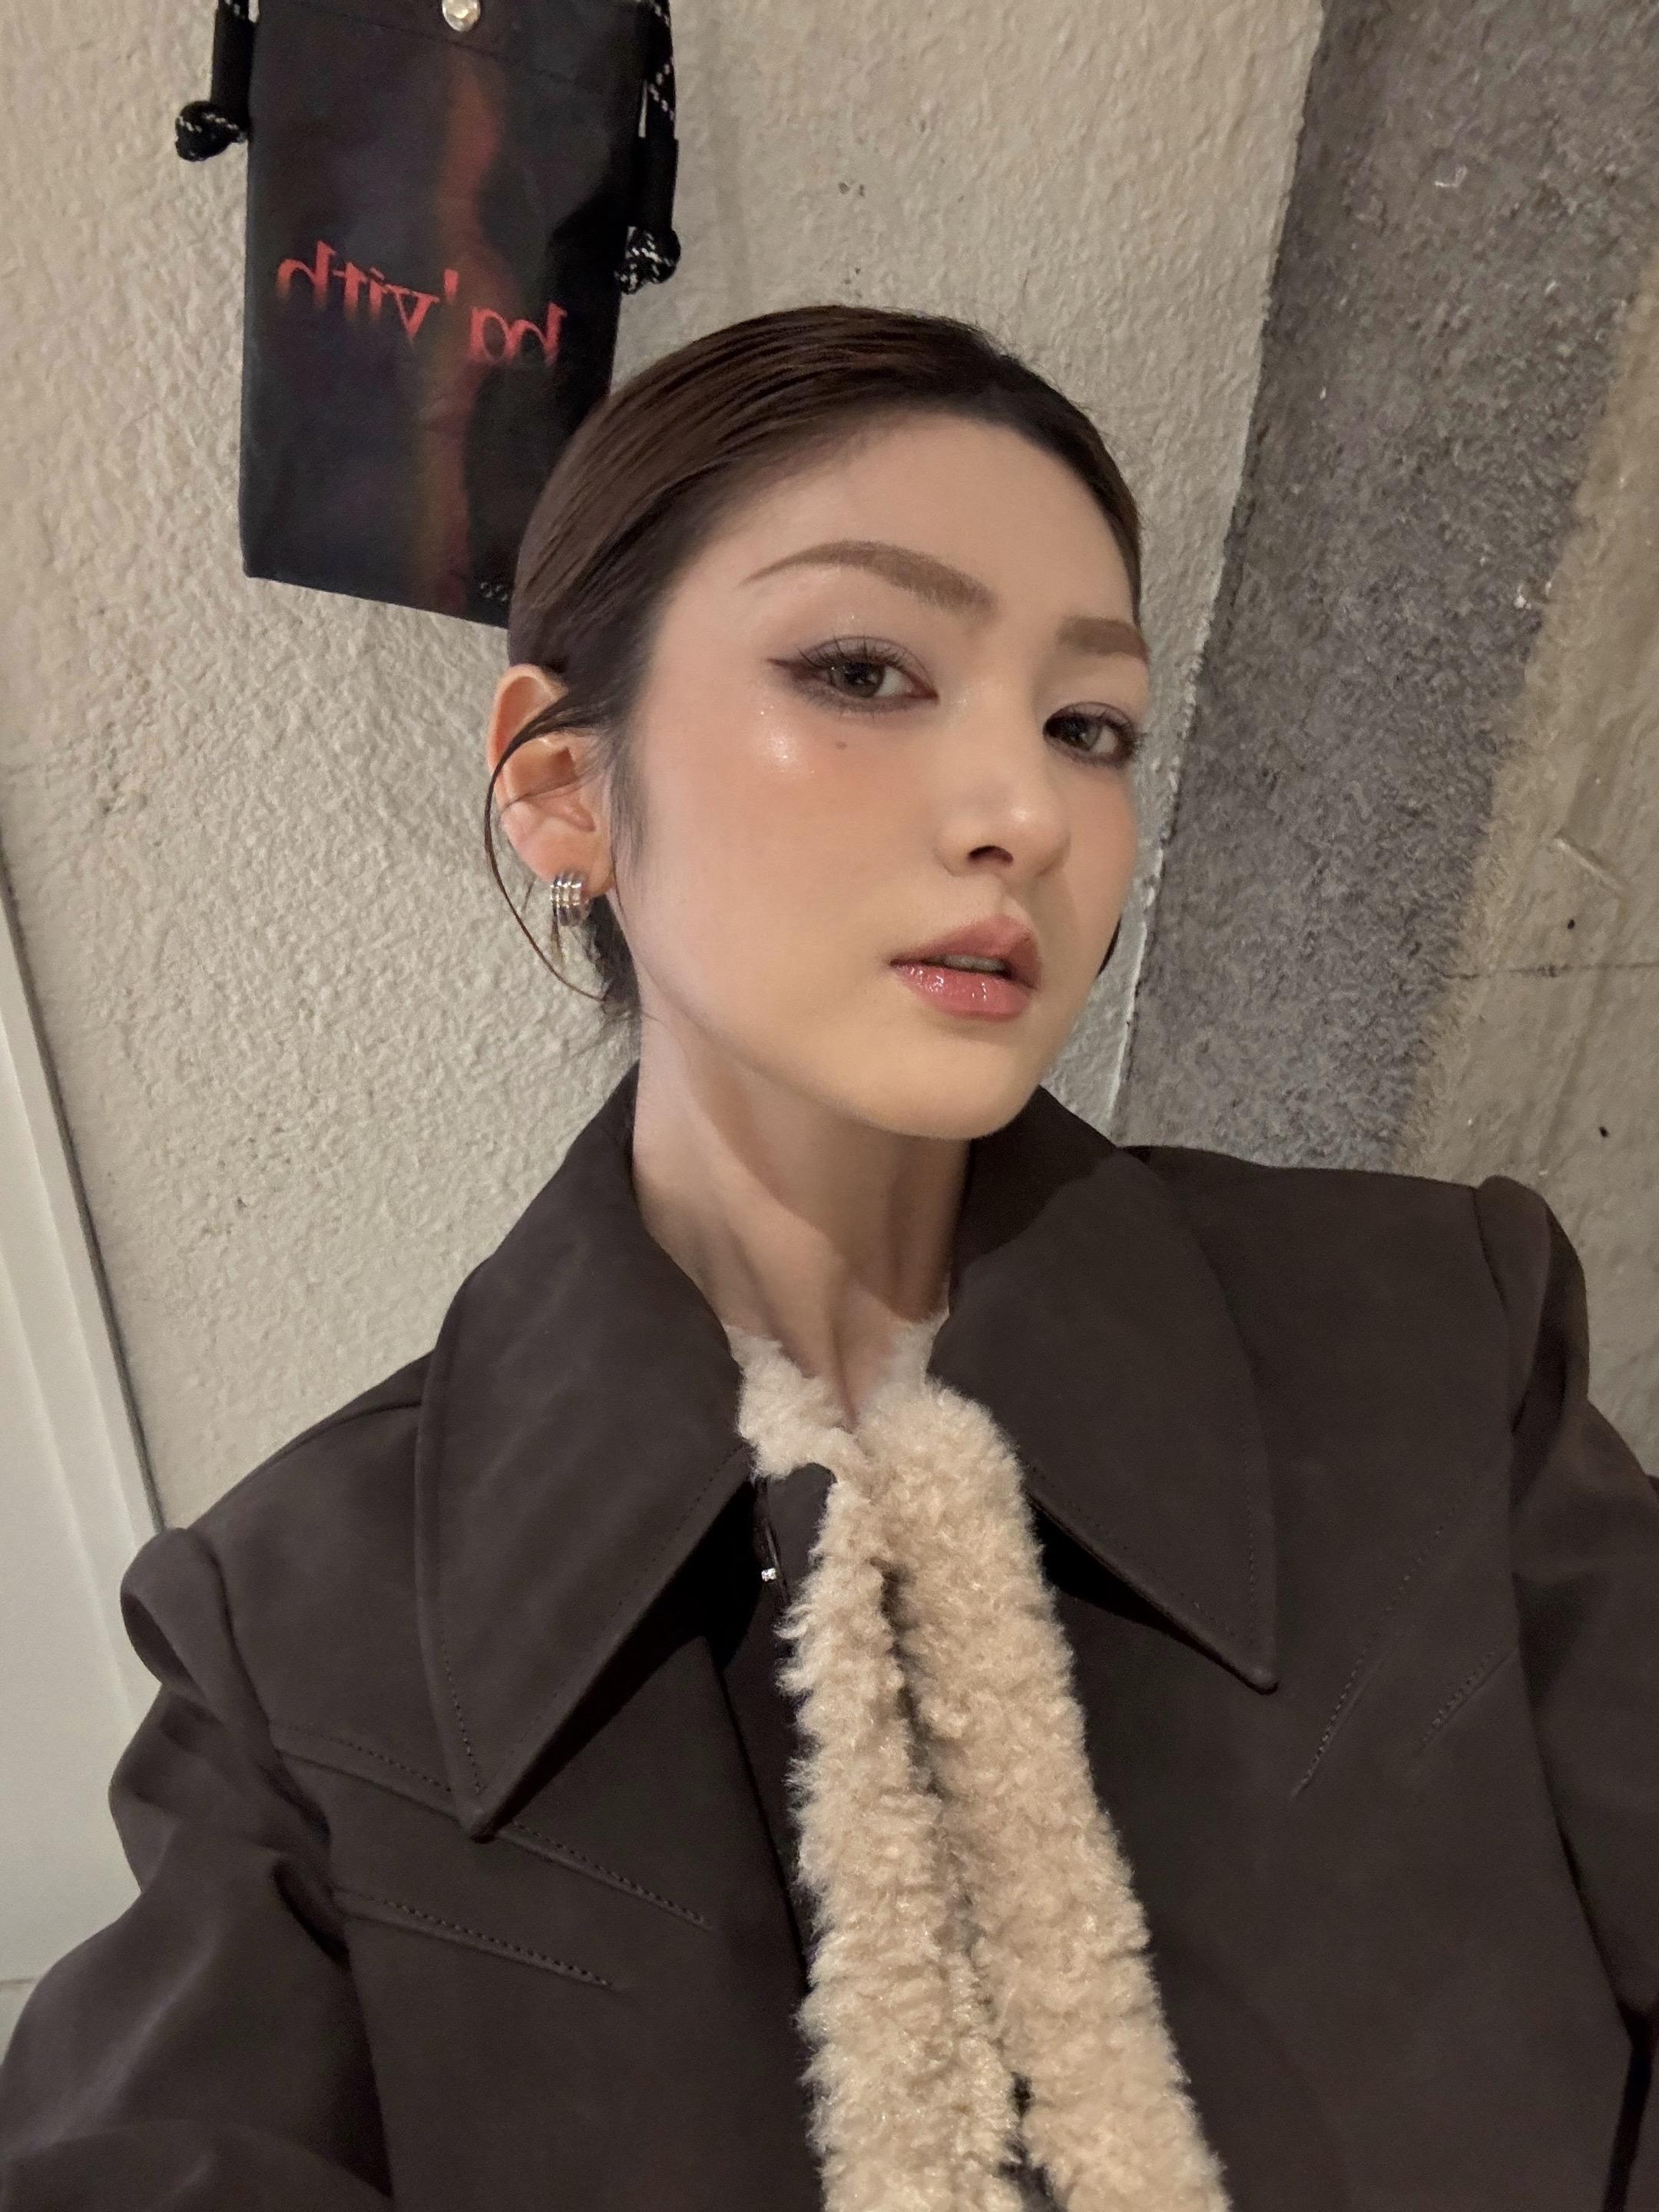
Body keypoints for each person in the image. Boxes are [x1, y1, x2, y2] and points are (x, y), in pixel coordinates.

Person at [1, 301, 1654, 2212]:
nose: (1024, 812)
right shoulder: (302, 1639)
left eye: (1089, 726)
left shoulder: (1432, 1337)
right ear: (560, 784)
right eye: (864, 670)